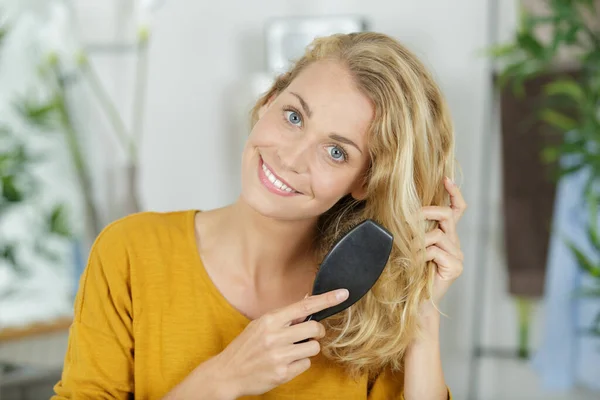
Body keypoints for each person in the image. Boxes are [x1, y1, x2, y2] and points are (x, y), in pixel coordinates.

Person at [52, 31, 466, 400]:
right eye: (293, 116)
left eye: (336, 151)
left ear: (364, 181)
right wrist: (222, 379)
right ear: (269, 101)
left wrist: (422, 315)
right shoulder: (131, 252)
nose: (291, 157)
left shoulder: (371, 302)